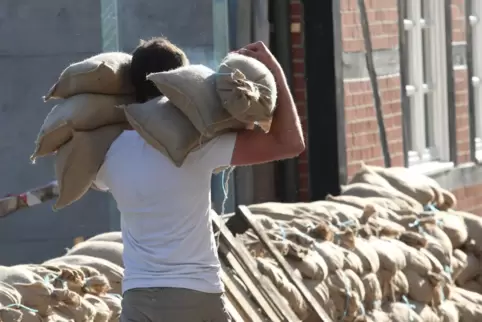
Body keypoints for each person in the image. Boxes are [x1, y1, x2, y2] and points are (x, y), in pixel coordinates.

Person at [93, 40, 305, 322]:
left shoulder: (110, 152)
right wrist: (275, 71)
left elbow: (93, 178)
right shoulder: (197, 145)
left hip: (137, 300)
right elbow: (289, 143)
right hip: (194, 297)